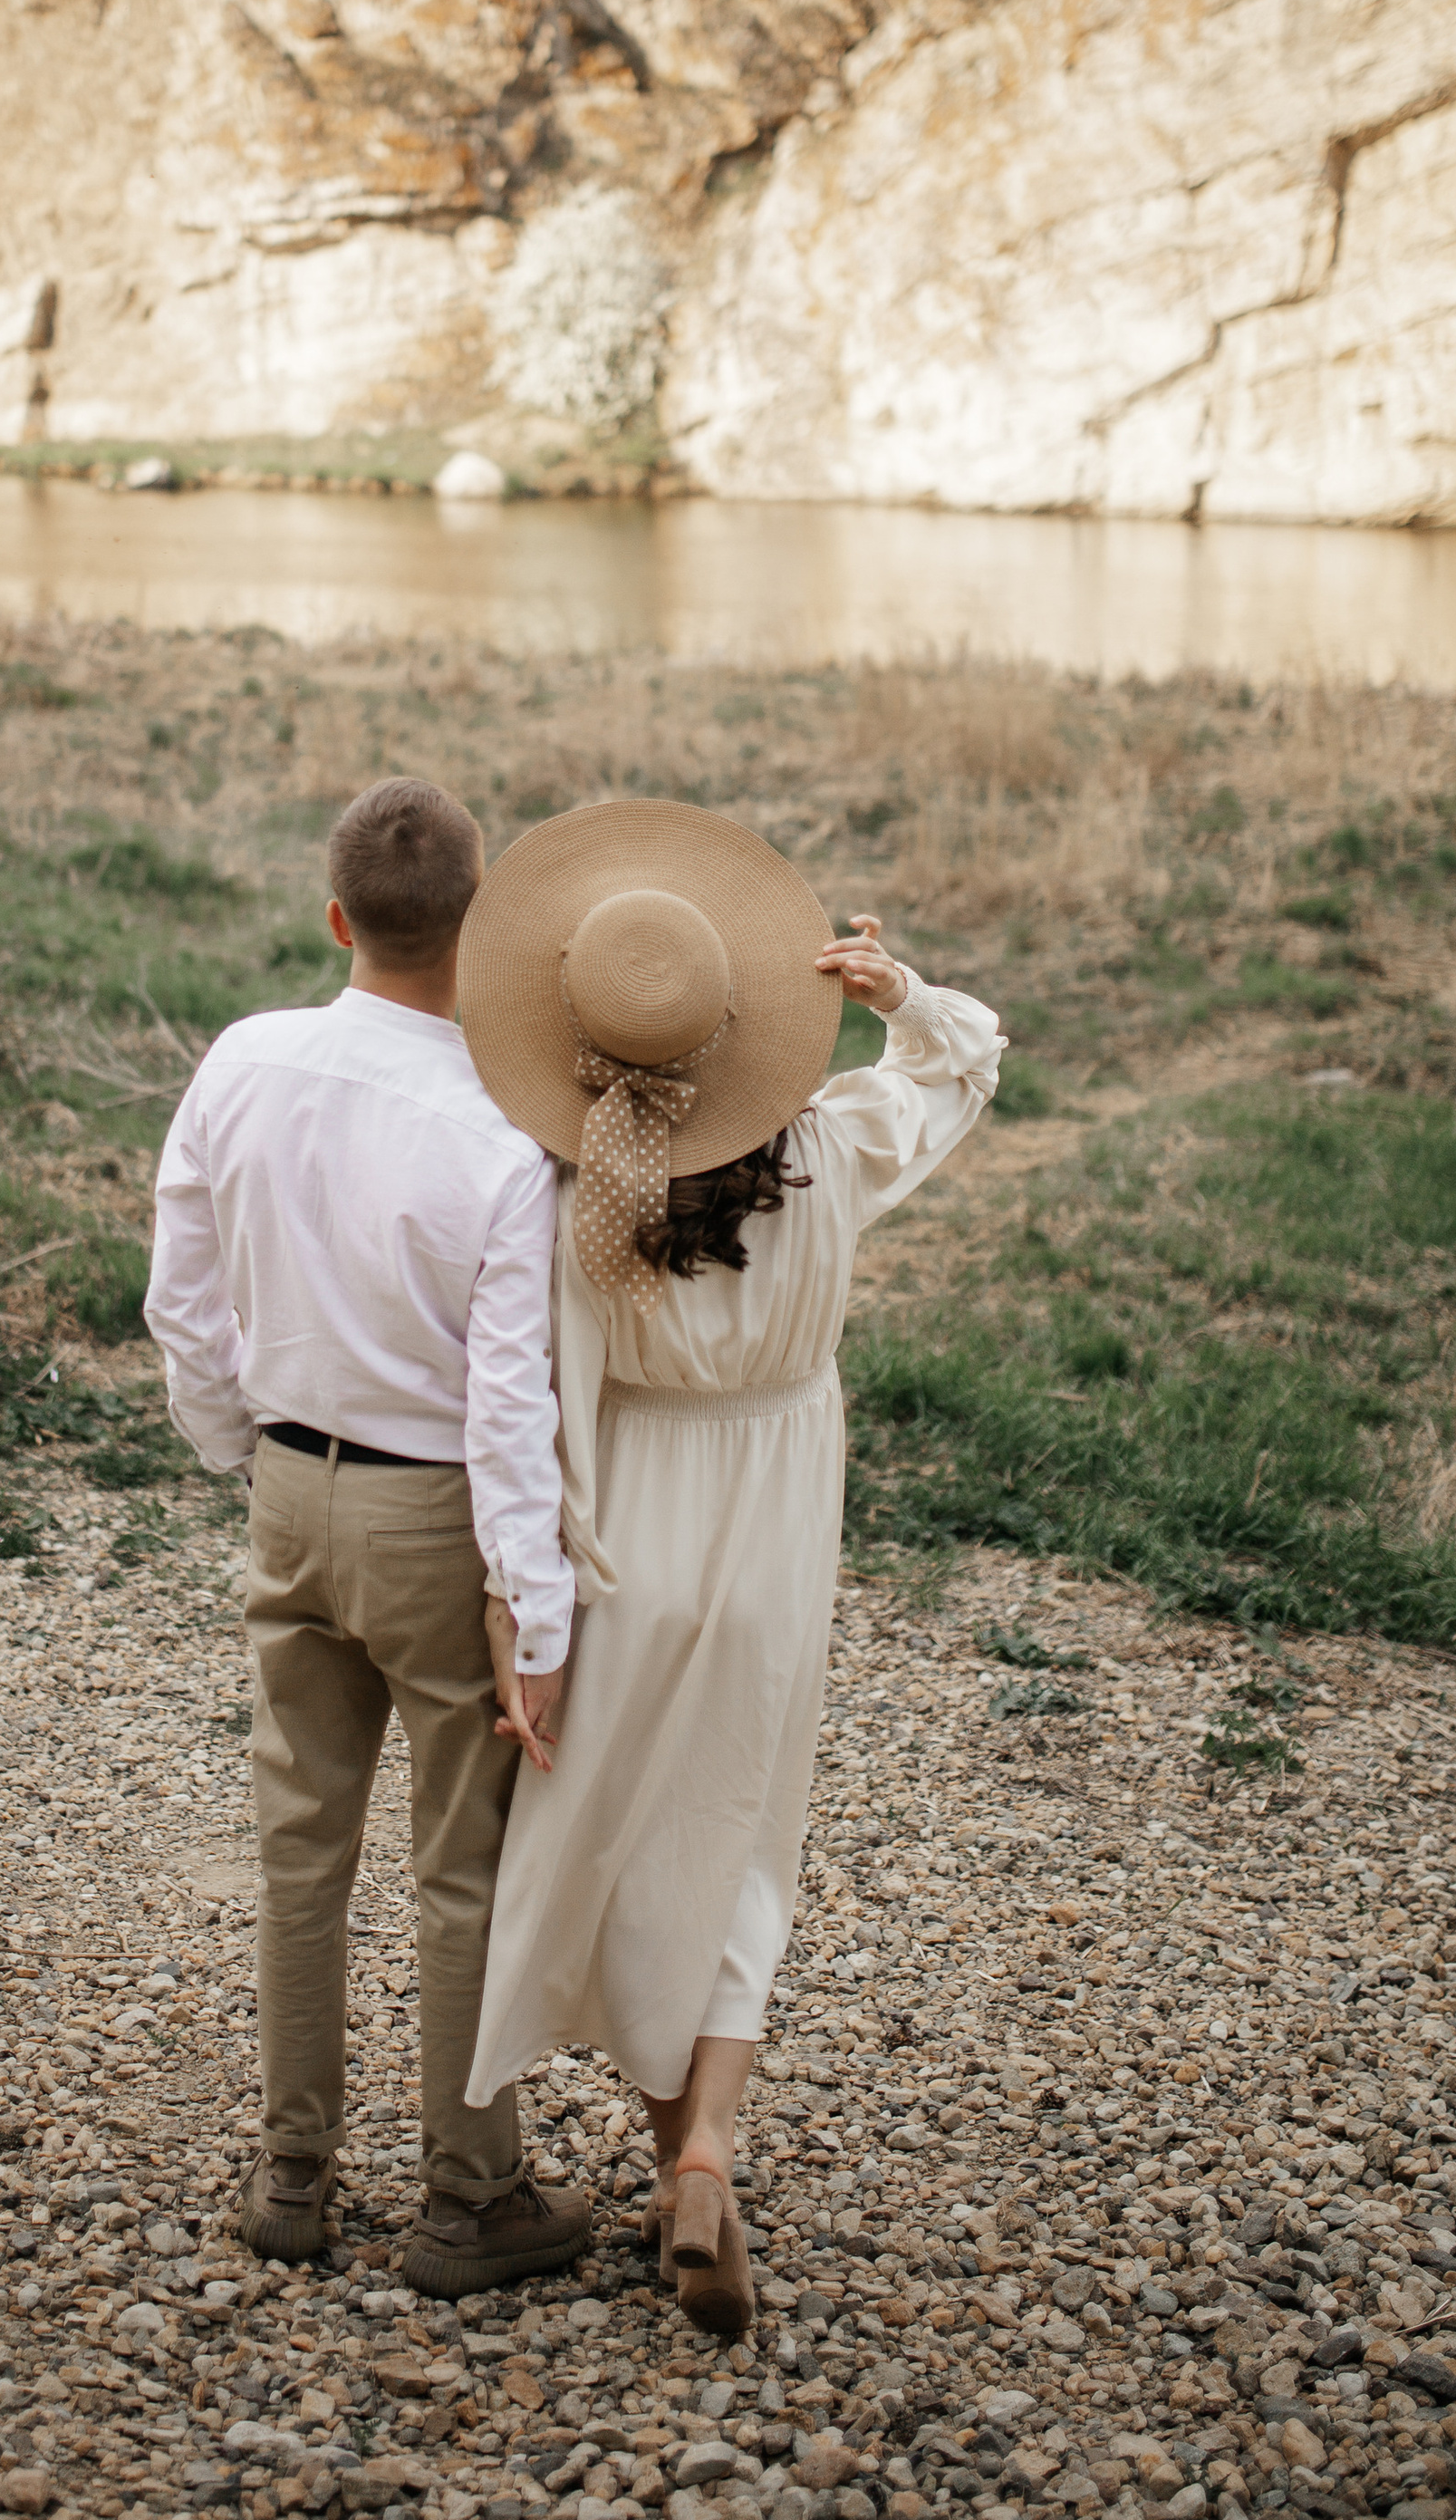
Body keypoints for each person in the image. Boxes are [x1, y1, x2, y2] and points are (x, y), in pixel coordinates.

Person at [453, 797, 1003, 2337]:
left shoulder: (575, 1194)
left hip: (634, 1517)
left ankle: (664, 2154)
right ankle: (707, 2151)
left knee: (634, 1835)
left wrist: (528, 1604)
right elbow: (965, 1066)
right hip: (777, 1507)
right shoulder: (831, 1148)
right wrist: (901, 993)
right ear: (742, 1027)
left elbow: (537, 1406)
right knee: (744, 1827)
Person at [146, 775, 593, 2297]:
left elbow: (182, 1295)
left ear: (336, 920)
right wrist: (535, 1613)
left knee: (300, 1850)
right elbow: (510, 1405)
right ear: (482, 928)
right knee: (461, 1865)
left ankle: (293, 2179)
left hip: (289, 1487)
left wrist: (242, 1446)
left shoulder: (244, 1059)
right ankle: (471, 2199)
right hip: (433, 1516)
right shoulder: (504, 1136)